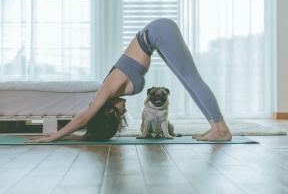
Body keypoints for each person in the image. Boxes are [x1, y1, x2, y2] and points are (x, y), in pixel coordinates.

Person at [26, 18, 232, 143]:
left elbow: (84, 118)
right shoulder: (114, 91)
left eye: (118, 114)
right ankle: (215, 128)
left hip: (159, 32)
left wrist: (53, 136)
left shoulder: (106, 90)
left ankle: (222, 130)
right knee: (189, 84)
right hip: (155, 38)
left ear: (108, 110)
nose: (124, 112)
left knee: (193, 80)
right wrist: (73, 137)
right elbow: (86, 128)